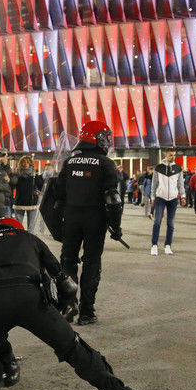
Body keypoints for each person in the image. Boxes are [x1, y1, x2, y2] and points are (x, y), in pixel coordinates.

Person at [0, 217, 150, 390]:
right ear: (17, 229)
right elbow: (65, 283)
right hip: (30, 297)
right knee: (74, 349)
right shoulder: (29, 238)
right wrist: (63, 308)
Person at [53, 120, 122, 325]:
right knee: (92, 263)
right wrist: (116, 227)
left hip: (71, 218)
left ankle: (68, 304)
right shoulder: (105, 163)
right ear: (97, 138)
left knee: (68, 261)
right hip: (95, 220)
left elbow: (57, 194)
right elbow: (113, 199)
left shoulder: (69, 162)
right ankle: (86, 312)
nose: (107, 141)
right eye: (105, 136)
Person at [150, 149, 184, 256]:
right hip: (160, 197)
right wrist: (152, 197)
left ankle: (168, 245)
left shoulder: (178, 169)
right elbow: (154, 184)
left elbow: (180, 184)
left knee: (171, 224)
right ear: (166, 155)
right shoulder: (158, 168)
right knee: (157, 222)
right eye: (170, 155)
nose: (173, 157)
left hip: (173, 198)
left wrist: (183, 196)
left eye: (174, 155)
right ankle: (154, 245)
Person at [12, 155, 42, 229]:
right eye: (23, 162)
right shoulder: (16, 175)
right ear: (20, 164)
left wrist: (38, 191)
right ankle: (19, 240)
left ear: (30, 164)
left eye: (27, 162)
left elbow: (41, 187)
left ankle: (30, 240)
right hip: (19, 202)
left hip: (32, 203)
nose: (25, 164)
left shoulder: (35, 176)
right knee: (18, 227)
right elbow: (12, 185)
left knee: (31, 228)